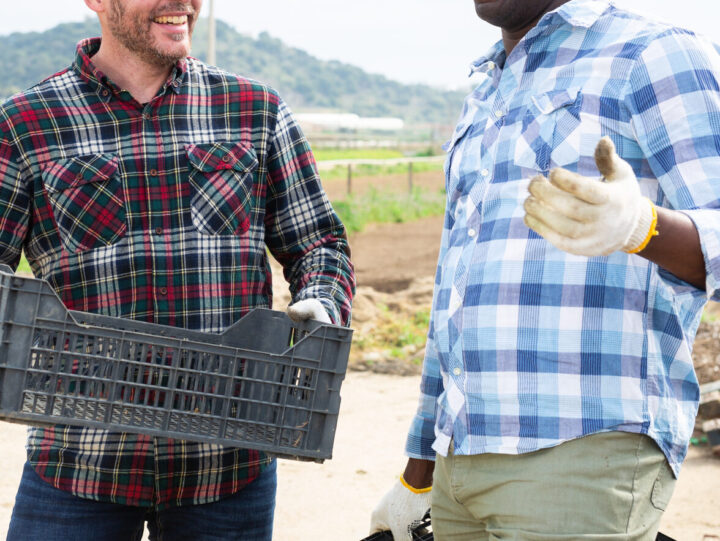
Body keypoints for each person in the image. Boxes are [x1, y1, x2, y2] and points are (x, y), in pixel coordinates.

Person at [0, 1, 354, 540]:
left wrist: (322, 301)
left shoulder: (253, 109)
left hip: (228, 468)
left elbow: (319, 243)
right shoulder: (26, 123)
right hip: (77, 464)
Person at [370, 0, 720, 539]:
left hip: (582, 454)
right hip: (458, 464)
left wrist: (642, 227)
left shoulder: (653, 55)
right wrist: (418, 473)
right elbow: (454, 298)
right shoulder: (487, 89)